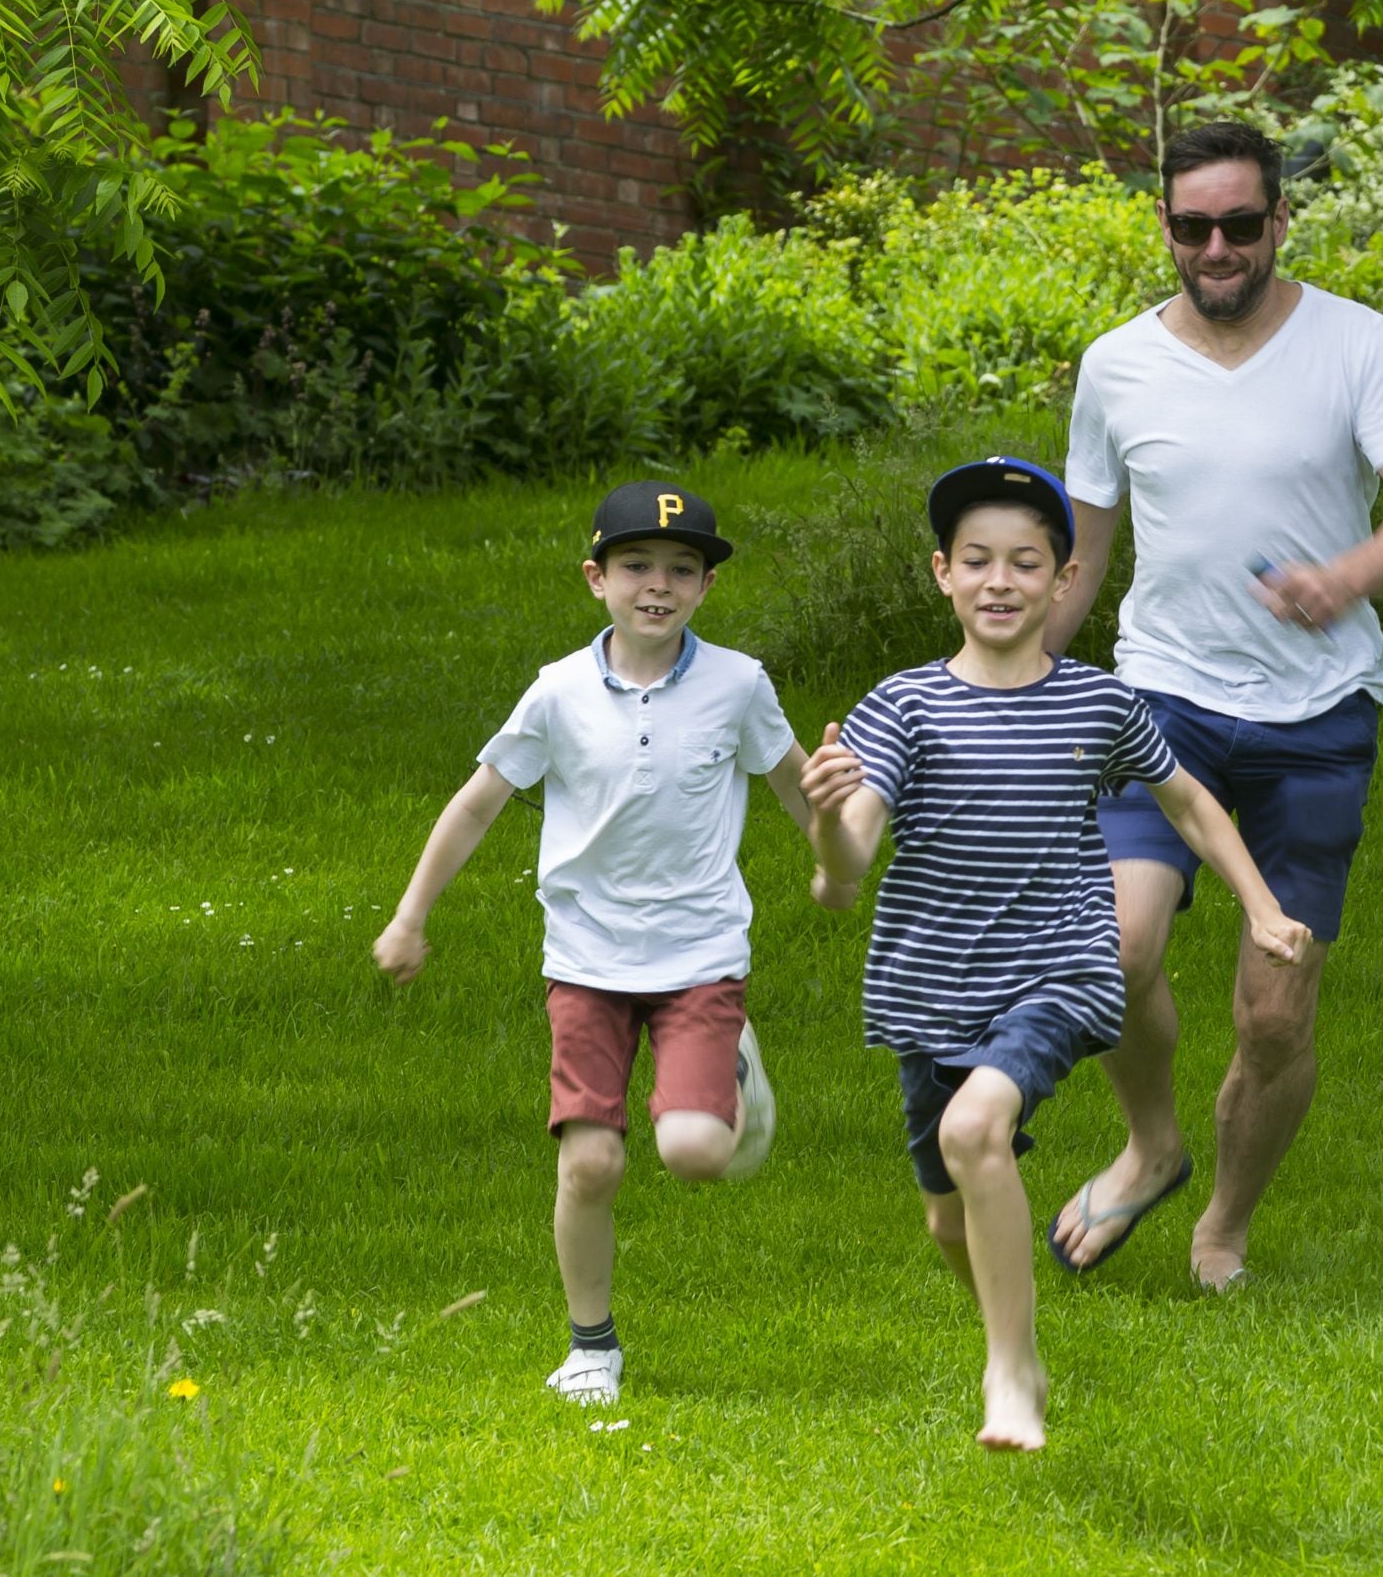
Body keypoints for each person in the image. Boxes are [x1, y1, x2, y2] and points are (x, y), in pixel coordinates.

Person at [1044, 120, 1383, 1291]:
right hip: (1161, 698)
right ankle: (1151, 1147)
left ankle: (1225, 1223)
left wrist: (1344, 579)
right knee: (1118, 951)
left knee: (1275, 1015)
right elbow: (1079, 564)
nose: (1220, 246)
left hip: (1319, 714)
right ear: (1168, 232)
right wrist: (990, 696)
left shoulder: (1354, 342)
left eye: (1243, 223)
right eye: (1195, 227)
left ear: (1282, 220)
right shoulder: (1116, 365)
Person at [800, 457, 1312, 1451]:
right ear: (941, 573)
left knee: (973, 1130)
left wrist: (1258, 904)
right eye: (978, 560)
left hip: (1059, 972)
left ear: (1064, 581)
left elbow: (1190, 803)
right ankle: (1018, 1342)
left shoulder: (1099, 704)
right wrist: (827, 828)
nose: (1001, 581)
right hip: (932, 989)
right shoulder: (904, 708)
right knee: (949, 1222)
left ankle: (1010, 1377)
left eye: (1025, 562)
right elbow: (853, 852)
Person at [372, 479, 817, 1407]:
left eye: (682, 570)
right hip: (585, 960)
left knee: (694, 1153)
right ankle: (592, 1347)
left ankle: (729, 1067)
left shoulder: (738, 683)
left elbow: (792, 783)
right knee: (592, 1162)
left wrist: (839, 859)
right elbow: (477, 804)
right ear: (596, 577)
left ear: (703, 587)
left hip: (698, 955)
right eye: (637, 567)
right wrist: (411, 916)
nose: (659, 585)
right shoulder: (558, 693)